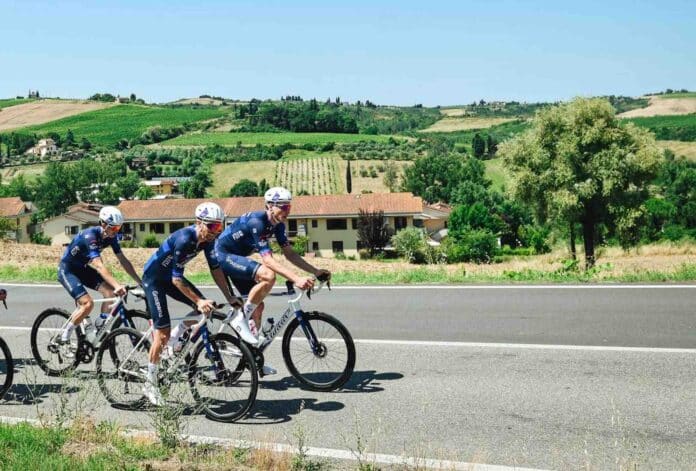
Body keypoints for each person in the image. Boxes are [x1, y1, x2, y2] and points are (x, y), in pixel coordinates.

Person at [214, 186, 330, 375]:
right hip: (223, 255)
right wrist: (296, 278)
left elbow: (290, 254)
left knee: (258, 308)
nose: (287, 211)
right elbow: (267, 260)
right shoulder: (258, 222)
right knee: (268, 276)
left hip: (239, 258)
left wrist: (315, 271)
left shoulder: (279, 226)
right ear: (270, 206)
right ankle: (240, 318)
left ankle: (251, 359)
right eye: (283, 207)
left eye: (289, 207)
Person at [141, 201, 239, 406]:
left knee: (202, 311)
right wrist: (199, 300)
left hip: (171, 277)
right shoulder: (185, 239)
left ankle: (174, 342)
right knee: (162, 332)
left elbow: (216, 270)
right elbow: (177, 280)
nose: (216, 231)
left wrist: (229, 296)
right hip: (155, 280)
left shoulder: (209, 240)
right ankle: (150, 383)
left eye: (220, 227)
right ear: (199, 223)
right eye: (212, 226)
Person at [57, 206, 142, 349]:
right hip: (68, 270)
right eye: (113, 228)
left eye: (119, 228)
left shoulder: (111, 237)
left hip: (82, 269)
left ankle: (99, 326)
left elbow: (123, 260)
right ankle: (64, 335)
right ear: (103, 224)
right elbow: (99, 266)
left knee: (109, 292)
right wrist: (117, 285)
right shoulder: (90, 236)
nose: (116, 232)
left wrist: (140, 281)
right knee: (87, 304)